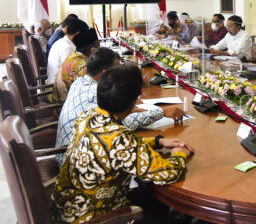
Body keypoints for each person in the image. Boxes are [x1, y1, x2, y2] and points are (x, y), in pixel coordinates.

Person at [51, 64, 193, 222]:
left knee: (152, 199)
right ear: (133, 103)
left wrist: (158, 141)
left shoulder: (88, 116)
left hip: (67, 208)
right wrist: (180, 154)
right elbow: (168, 174)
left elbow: (114, 148)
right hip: (96, 217)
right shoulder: (120, 138)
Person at [55, 48, 183, 165]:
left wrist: (156, 141)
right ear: (105, 73)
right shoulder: (97, 95)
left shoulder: (79, 82)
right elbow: (124, 124)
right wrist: (161, 112)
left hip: (73, 158)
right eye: (117, 69)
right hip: (74, 161)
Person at [51, 28, 99, 103]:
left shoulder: (74, 55)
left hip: (63, 101)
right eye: (99, 46)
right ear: (92, 50)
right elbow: (91, 92)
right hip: (65, 106)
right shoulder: (83, 65)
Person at [47, 19, 88, 84]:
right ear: (78, 34)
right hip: (58, 88)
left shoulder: (63, 43)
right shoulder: (66, 48)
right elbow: (72, 76)